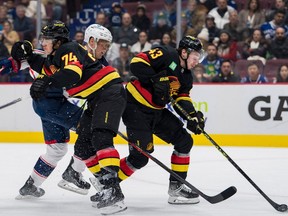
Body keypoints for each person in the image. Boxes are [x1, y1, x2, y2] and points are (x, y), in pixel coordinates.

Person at [27, 20, 127, 214]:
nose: (43, 42)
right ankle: (96, 182)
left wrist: (46, 82)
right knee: (82, 143)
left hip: (109, 93)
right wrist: (27, 55)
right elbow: (47, 68)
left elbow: (72, 74)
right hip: (97, 99)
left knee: (101, 138)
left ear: (58, 42)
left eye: (46, 39)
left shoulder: (68, 48)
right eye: (42, 38)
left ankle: (113, 192)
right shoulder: (59, 57)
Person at [93, 36, 205, 205]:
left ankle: (177, 187)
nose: (197, 61)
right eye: (195, 56)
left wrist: (192, 116)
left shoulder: (186, 76)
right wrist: (156, 78)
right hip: (135, 107)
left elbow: (182, 96)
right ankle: (106, 187)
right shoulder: (166, 54)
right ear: (184, 52)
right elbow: (137, 62)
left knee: (184, 141)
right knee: (140, 157)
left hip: (156, 112)